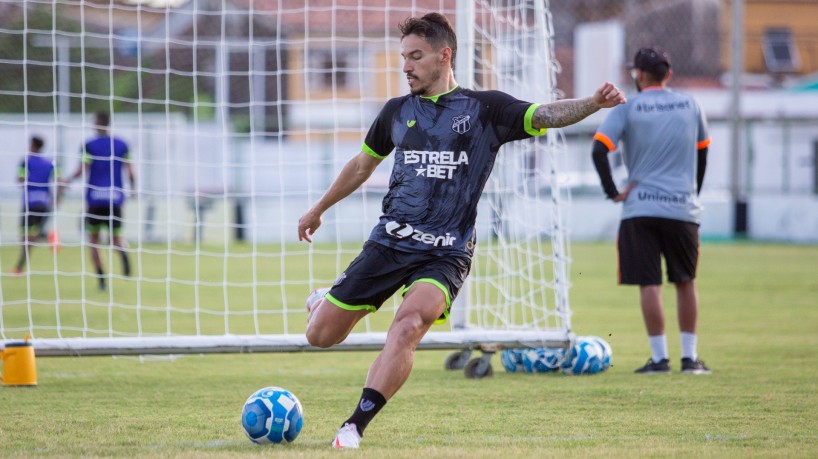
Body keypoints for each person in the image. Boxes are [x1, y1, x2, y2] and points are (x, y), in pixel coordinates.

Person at [297, 12, 626, 449]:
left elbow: (545, 114)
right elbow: (362, 165)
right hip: (390, 241)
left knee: (408, 325)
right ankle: (326, 299)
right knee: (321, 336)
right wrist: (319, 208)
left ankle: (354, 425)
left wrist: (592, 103)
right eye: (403, 57)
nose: (406, 66)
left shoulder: (485, 109)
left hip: (447, 250)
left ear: (444, 55)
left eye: (415, 56)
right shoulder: (396, 111)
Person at [590, 47, 712, 375]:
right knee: (686, 282)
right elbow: (703, 154)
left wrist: (613, 192)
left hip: (640, 208)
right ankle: (690, 359)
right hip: (682, 208)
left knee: (650, 284)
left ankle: (659, 360)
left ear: (639, 75)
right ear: (668, 74)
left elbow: (599, 149)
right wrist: (691, 194)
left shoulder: (628, 106)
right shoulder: (691, 104)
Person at [64, 111, 136, 291]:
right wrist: (133, 188)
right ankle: (123, 254)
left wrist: (68, 180)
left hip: (95, 199)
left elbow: (83, 169)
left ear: (97, 123)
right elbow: (130, 170)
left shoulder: (89, 145)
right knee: (115, 239)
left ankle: (102, 281)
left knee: (94, 241)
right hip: (115, 199)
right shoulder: (121, 144)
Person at [11, 135, 60, 275]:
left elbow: (20, 178)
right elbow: (59, 180)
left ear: (32, 145)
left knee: (25, 236)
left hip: (30, 202)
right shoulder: (50, 163)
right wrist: (57, 198)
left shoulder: (26, 162)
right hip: (45, 202)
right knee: (32, 235)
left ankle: (19, 267)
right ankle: (47, 236)